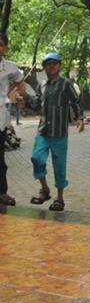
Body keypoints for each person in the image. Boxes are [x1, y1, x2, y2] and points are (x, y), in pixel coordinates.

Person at [30, 51, 84, 212]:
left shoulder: (66, 84)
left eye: (54, 63)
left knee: (59, 166)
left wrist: (80, 118)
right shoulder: (42, 85)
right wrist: (24, 96)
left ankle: (59, 198)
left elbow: (77, 101)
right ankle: (45, 190)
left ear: (59, 66)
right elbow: (34, 105)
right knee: (36, 158)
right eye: (47, 64)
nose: (51, 66)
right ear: (44, 68)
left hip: (60, 132)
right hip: (43, 132)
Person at [1, 34, 30, 206]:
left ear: (5, 48)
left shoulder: (9, 67)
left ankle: (2, 193)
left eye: (1, 44)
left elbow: (21, 82)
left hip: (0, 118)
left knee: (0, 158)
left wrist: (16, 95)